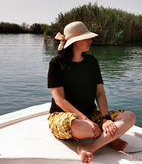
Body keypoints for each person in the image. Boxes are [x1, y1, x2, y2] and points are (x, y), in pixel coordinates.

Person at [47, 21, 136, 163]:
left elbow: (100, 93)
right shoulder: (56, 64)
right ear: (75, 42)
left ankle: (90, 147)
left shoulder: (92, 62)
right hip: (64, 117)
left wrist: (106, 118)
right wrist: (86, 120)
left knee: (129, 117)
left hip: (92, 115)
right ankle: (109, 138)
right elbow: (60, 100)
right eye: (86, 37)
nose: (91, 40)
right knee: (78, 126)